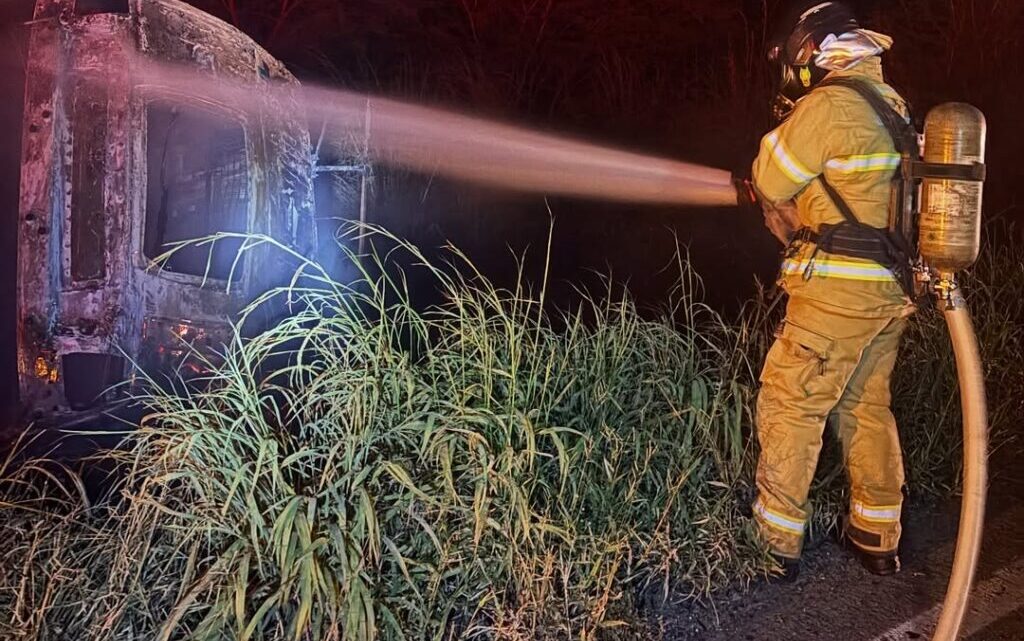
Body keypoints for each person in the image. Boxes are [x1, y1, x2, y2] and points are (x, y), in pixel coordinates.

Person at [748, 1, 916, 581]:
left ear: (810, 53)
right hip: (889, 292)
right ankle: (877, 534)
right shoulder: (892, 106)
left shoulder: (830, 105)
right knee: (866, 405)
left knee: (792, 402)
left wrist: (793, 120)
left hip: (836, 294)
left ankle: (773, 545)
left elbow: (770, 176)